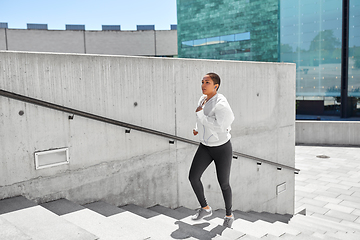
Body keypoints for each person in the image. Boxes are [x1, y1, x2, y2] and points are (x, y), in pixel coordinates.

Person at [189, 72, 235, 228]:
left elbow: (221, 126)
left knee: (223, 183)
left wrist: (200, 116)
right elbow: (201, 119)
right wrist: (197, 128)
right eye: (202, 81)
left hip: (222, 148)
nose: (203, 85)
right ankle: (205, 208)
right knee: (193, 177)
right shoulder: (202, 99)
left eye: (207, 82)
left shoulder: (221, 104)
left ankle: (229, 215)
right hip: (205, 147)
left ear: (216, 86)